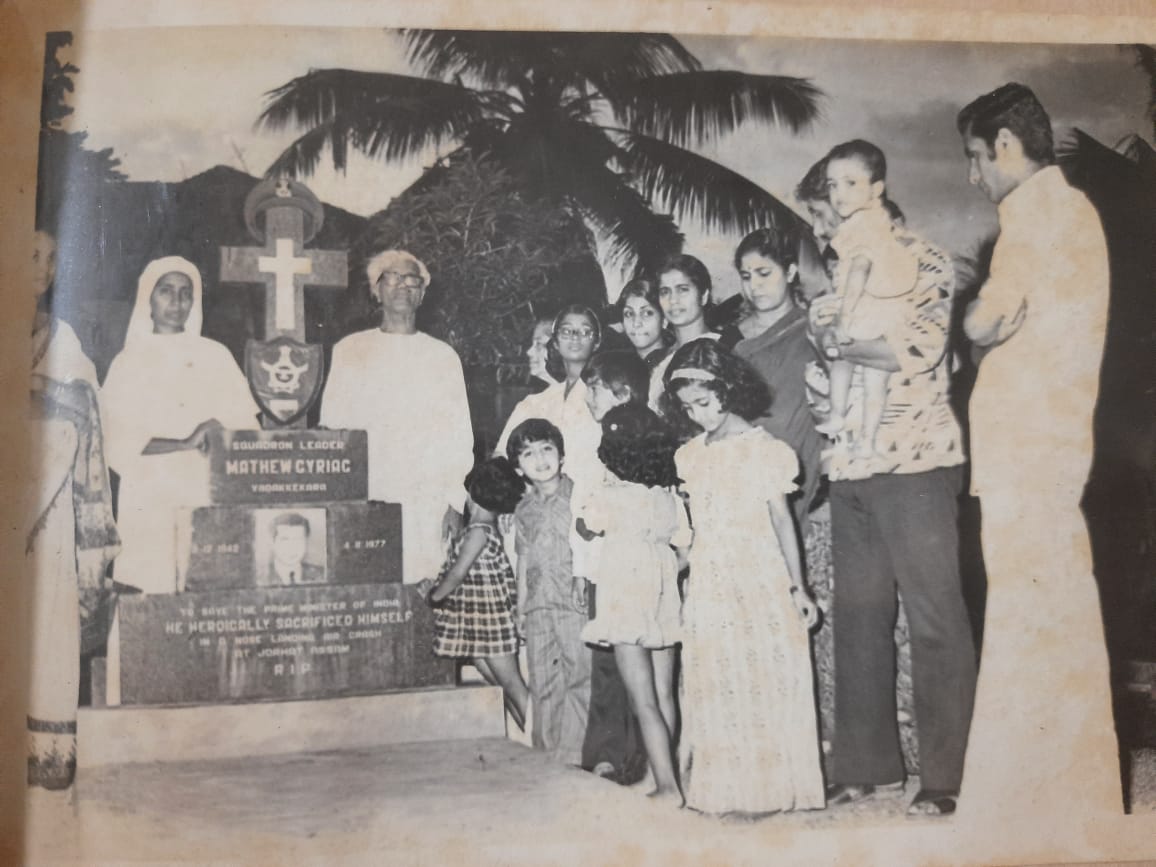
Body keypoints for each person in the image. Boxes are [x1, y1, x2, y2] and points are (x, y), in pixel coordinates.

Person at [955, 83, 1122, 821]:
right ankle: (1066, 792)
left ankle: (1018, 798)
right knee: (1057, 614)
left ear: (1005, 146)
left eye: (974, 159)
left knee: (1027, 619)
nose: (973, 177)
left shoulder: (1030, 213)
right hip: (1053, 447)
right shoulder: (1075, 210)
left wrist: (969, 319)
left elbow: (988, 319)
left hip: (1026, 450)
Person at [803, 161, 975, 816]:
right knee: (859, 616)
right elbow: (826, 355)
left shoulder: (924, 259)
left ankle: (946, 775)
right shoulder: (835, 276)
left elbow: (922, 346)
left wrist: (844, 343)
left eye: (835, 205)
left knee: (935, 617)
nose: (828, 223)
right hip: (851, 467)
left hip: (917, 462)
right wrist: (834, 344)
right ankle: (864, 766)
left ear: (875, 196)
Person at [661, 340, 823, 816]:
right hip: (711, 577)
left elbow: (781, 522)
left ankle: (768, 791)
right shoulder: (689, 455)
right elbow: (691, 529)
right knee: (716, 676)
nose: (697, 415)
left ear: (728, 390)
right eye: (688, 407)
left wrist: (799, 586)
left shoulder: (763, 450)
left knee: (760, 674)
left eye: (704, 404)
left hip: (757, 574)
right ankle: (727, 789)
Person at [101, 256, 258, 595]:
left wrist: (221, 426)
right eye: (166, 291)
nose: (176, 302)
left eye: (186, 293)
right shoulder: (127, 362)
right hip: (149, 494)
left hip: (206, 489)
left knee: (207, 586)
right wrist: (185, 443)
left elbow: (247, 428)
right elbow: (115, 441)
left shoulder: (216, 354)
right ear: (149, 298)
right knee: (151, 591)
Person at [26, 230, 120, 791]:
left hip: (54, 518)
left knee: (47, 628)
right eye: (31, 254)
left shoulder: (67, 343)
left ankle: (42, 754)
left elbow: (85, 415)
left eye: (53, 258)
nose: (44, 267)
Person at [321, 249, 474, 583]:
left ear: (421, 293)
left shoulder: (443, 357)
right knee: (370, 585)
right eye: (392, 277)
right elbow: (333, 431)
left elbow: (459, 436)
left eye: (412, 280)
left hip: (426, 496)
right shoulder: (350, 350)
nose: (403, 285)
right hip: (370, 490)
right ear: (376, 290)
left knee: (425, 585)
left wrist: (453, 503)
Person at [579, 402, 689, 805]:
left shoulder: (611, 495)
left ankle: (668, 787)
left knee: (641, 698)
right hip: (663, 589)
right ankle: (661, 775)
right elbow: (686, 548)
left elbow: (586, 524)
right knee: (663, 695)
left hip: (625, 590)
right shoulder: (668, 496)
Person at [815, 140, 919, 465]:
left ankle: (836, 414)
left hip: (865, 308)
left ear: (876, 190)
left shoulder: (862, 226)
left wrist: (843, 318)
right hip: (884, 313)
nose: (838, 194)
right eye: (833, 185)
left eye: (850, 183)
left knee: (842, 359)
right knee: (876, 384)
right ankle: (866, 441)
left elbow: (858, 271)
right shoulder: (877, 221)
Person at [576, 351, 652, 784]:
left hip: (629, 565)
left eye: (596, 387)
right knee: (605, 660)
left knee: (632, 665)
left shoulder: (636, 434)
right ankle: (605, 754)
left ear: (624, 392)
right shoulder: (598, 434)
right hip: (600, 565)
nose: (589, 396)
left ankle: (634, 758)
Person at [727, 227, 827, 531]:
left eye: (764, 273)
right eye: (746, 277)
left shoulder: (813, 330)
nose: (754, 286)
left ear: (791, 272)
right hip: (743, 470)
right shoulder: (735, 341)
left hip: (799, 468)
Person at [422, 457, 530, 731]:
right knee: (502, 688)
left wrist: (434, 596)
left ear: (472, 495)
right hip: (479, 627)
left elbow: (457, 573)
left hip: (490, 624)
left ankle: (549, 747)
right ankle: (534, 742)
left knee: (513, 686)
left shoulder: (478, 533)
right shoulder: (482, 530)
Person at [508, 418, 591, 765]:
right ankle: (546, 755)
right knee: (542, 681)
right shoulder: (523, 509)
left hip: (574, 603)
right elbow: (523, 556)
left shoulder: (580, 496)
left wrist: (584, 578)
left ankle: (574, 755)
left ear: (561, 455)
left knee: (579, 676)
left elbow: (591, 547)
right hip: (539, 604)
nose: (540, 459)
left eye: (546, 449)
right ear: (518, 467)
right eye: (528, 454)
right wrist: (521, 605)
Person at [650, 255, 720, 413]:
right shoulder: (656, 360)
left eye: (682, 290)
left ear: (704, 296)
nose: (673, 300)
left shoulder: (724, 349)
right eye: (665, 292)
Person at [617, 277, 673, 369]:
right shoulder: (617, 364)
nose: (636, 323)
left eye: (647, 313)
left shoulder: (676, 363)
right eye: (629, 313)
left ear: (664, 320)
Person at [261, 512, 325, 586]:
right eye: (284, 540)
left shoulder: (321, 574)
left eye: (298, 539)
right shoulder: (261, 577)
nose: (292, 547)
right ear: (272, 543)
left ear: (306, 541)